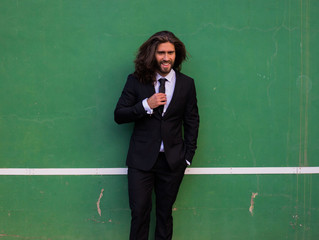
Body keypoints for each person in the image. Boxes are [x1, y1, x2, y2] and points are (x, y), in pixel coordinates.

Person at [114, 30, 199, 240]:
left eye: (170, 52)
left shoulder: (187, 84)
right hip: (141, 161)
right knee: (140, 214)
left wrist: (187, 156)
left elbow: (192, 121)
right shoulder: (136, 81)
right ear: (153, 54)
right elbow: (119, 115)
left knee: (164, 215)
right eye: (161, 52)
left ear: (176, 55)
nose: (166, 57)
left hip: (172, 162)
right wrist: (146, 105)